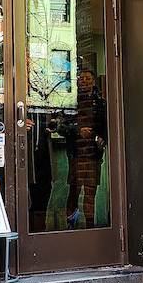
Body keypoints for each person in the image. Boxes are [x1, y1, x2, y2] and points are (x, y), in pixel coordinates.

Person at [49, 68, 107, 229]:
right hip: (76, 154)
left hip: (94, 154)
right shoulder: (70, 102)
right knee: (74, 190)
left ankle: (90, 226)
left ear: (94, 82)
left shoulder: (102, 103)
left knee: (90, 192)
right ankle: (70, 224)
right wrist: (77, 131)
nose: (84, 81)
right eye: (81, 79)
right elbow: (60, 127)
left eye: (88, 78)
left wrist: (104, 139)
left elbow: (109, 127)